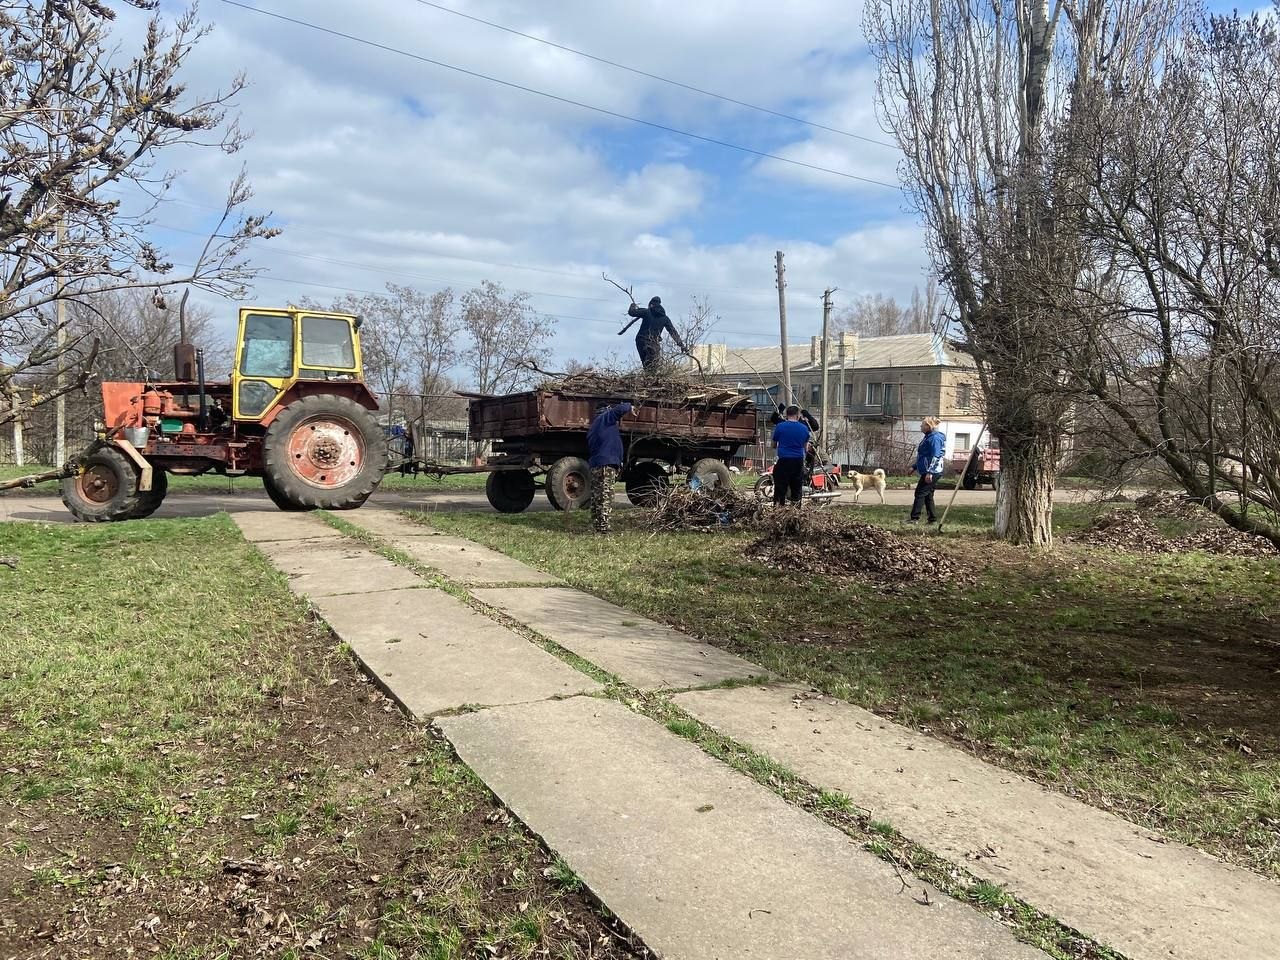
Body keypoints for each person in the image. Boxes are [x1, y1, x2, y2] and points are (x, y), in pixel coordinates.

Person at [587, 400, 633, 533]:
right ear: (605, 410)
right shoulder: (604, 419)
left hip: (596, 465)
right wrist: (631, 406)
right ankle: (603, 528)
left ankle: (596, 525)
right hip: (605, 465)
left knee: (597, 497)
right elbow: (620, 409)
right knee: (605, 496)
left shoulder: (594, 426)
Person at [619, 296, 687, 372]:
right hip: (653, 343)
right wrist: (681, 345)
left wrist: (633, 305)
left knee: (645, 364)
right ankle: (650, 379)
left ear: (651, 304)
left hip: (641, 340)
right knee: (653, 365)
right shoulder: (665, 318)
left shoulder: (647, 312)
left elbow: (632, 312)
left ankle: (647, 378)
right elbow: (673, 332)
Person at [908, 416, 947, 523]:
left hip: (932, 471)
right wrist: (914, 466)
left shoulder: (934, 438)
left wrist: (930, 472)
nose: (921, 426)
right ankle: (932, 519)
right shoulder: (928, 437)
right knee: (928, 495)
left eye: (923, 425)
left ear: (928, 426)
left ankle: (914, 518)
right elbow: (924, 455)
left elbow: (936, 456)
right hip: (927, 470)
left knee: (920, 493)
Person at [770, 405, 810, 507]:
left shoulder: (780, 426)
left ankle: (778, 510)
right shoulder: (804, 428)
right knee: (796, 489)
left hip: (783, 461)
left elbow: (773, 445)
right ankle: (795, 514)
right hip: (798, 462)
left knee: (780, 488)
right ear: (797, 415)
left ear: (787, 415)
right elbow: (805, 448)